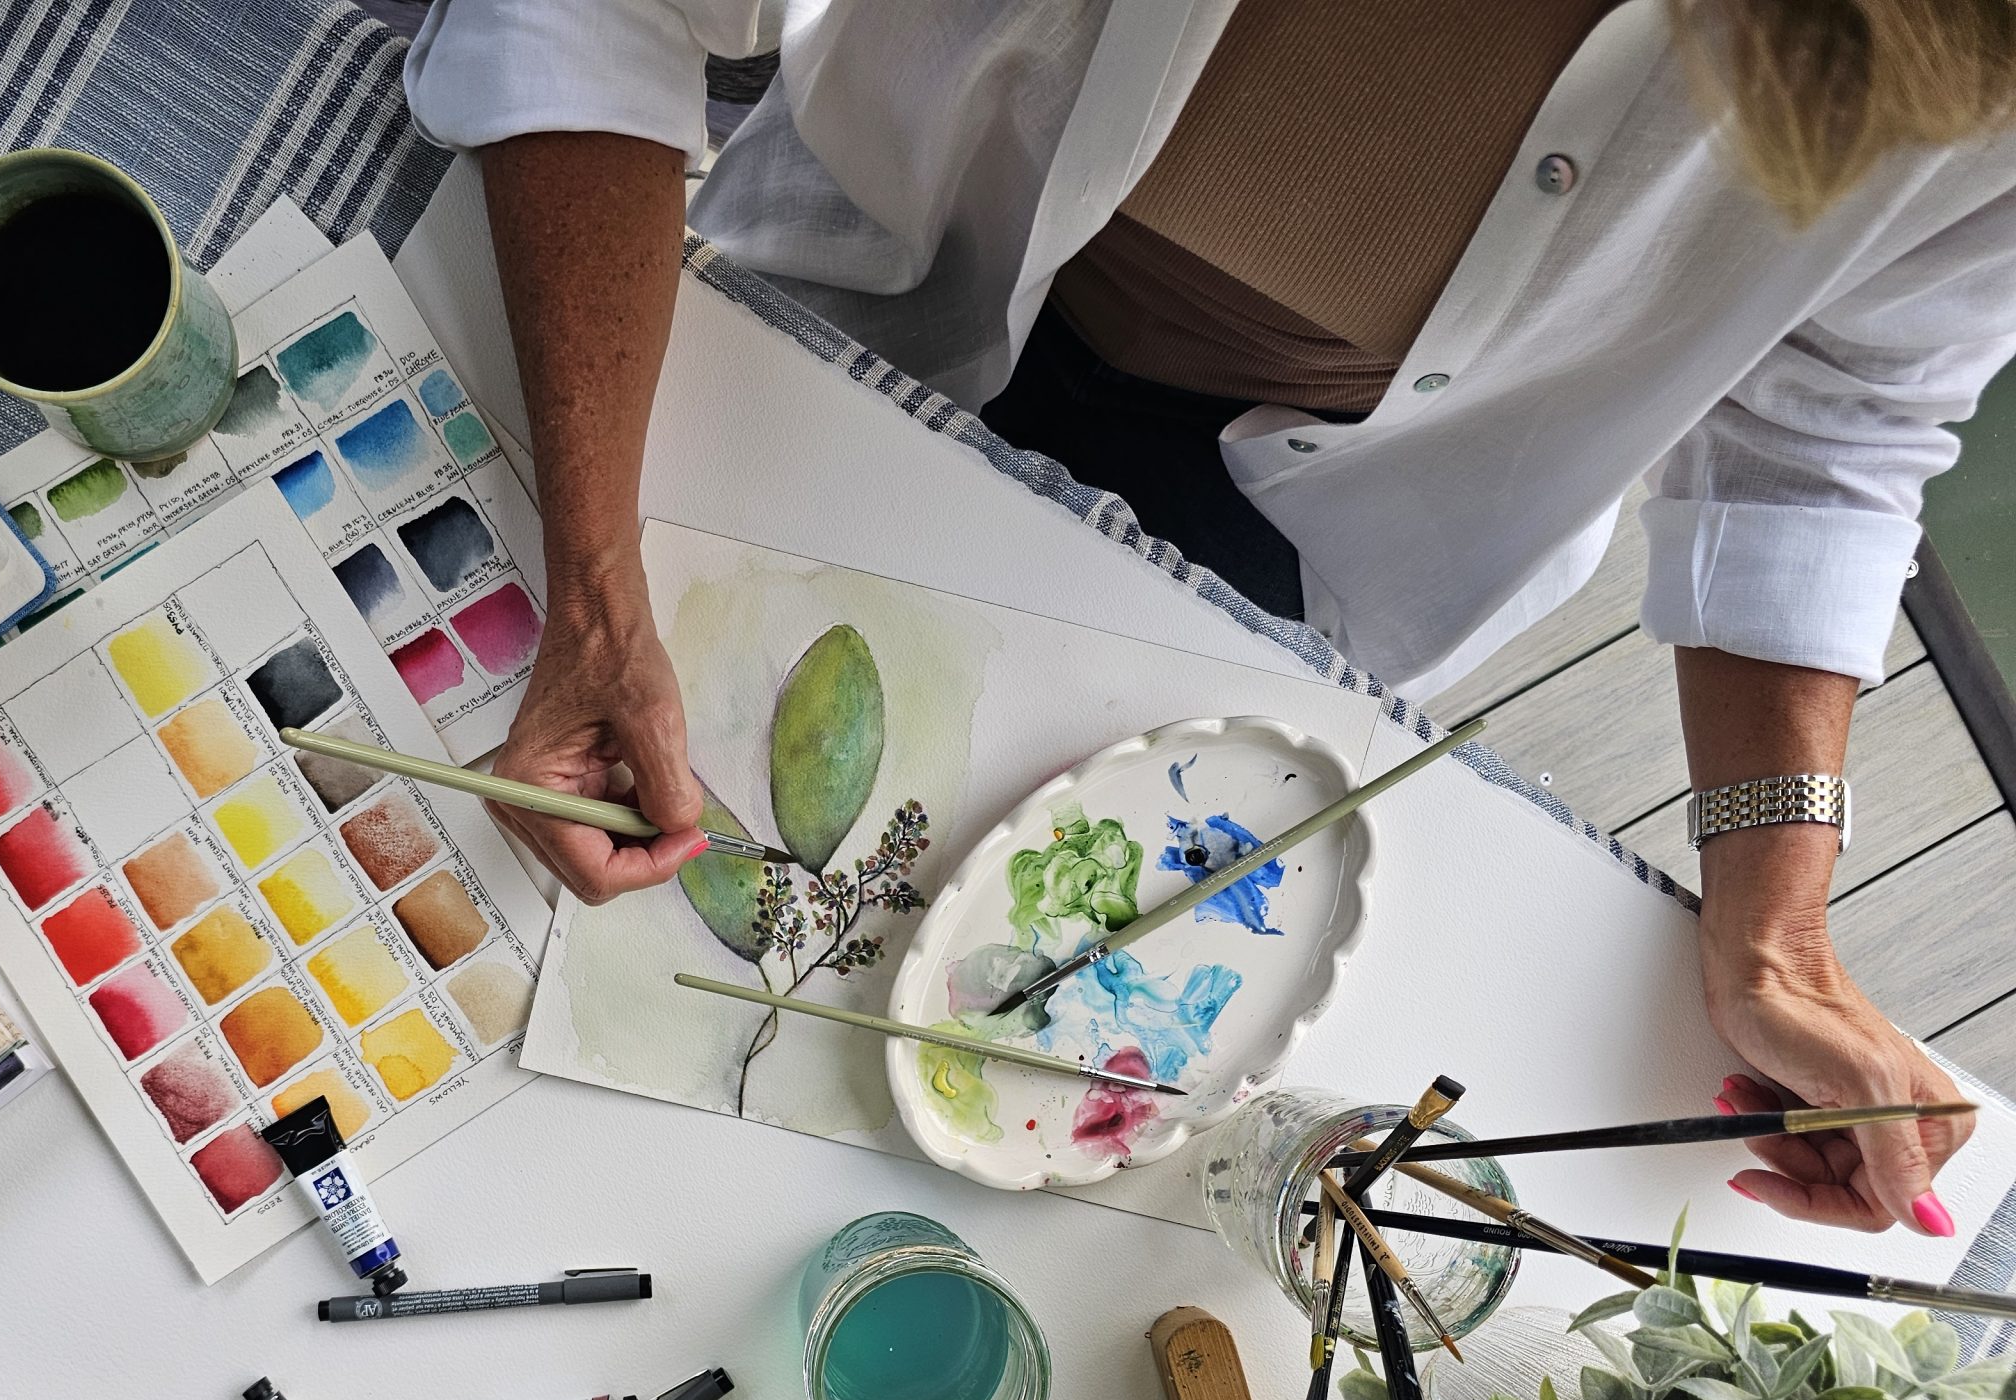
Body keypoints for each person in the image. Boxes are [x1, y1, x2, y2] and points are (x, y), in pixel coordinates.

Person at [402, 0, 2015, 1235]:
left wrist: (1778, 925)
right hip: (863, 298)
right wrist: (596, 572)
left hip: (1351, 545)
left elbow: (1834, 422)